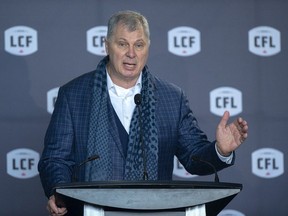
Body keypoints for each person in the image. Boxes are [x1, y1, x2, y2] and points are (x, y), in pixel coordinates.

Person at [38, 10, 248, 216]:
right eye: (123, 44)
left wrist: (221, 150)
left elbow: (194, 157)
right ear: (106, 45)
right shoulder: (73, 94)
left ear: (147, 48)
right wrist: (59, 193)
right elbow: (55, 159)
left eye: (139, 45)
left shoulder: (172, 98)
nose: (131, 53)